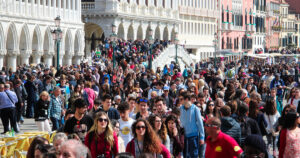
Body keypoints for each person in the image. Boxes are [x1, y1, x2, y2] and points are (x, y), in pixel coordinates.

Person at [179, 92, 205, 158]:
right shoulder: (180, 109)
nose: (180, 101)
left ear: (187, 99)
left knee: (194, 155)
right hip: (183, 137)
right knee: (185, 155)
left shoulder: (195, 109)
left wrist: (202, 137)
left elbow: (200, 124)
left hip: (193, 137)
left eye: (181, 99)